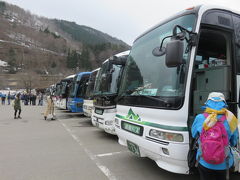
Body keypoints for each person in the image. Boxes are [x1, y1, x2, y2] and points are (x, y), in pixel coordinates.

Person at [191, 92, 239, 180]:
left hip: (203, 160)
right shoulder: (231, 119)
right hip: (224, 163)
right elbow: (234, 141)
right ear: (224, 104)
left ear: (207, 103)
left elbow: (194, 135)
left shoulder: (200, 118)